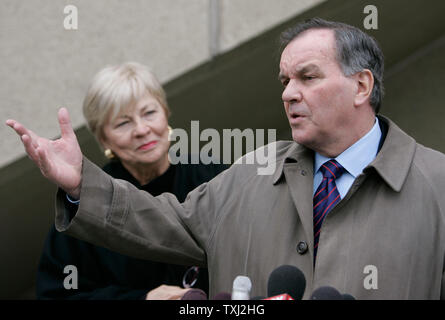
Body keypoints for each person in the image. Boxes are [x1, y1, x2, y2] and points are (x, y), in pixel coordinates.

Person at [7, 18, 445, 299]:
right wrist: (83, 183)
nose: (289, 93)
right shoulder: (252, 172)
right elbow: (167, 222)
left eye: (308, 77)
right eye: (285, 80)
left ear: (362, 86)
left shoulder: (437, 185)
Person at [33, 62, 228, 299]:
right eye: (123, 123)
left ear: (165, 113)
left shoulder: (213, 175)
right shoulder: (85, 202)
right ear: (103, 139)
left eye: (149, 113)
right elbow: (55, 295)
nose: (141, 129)